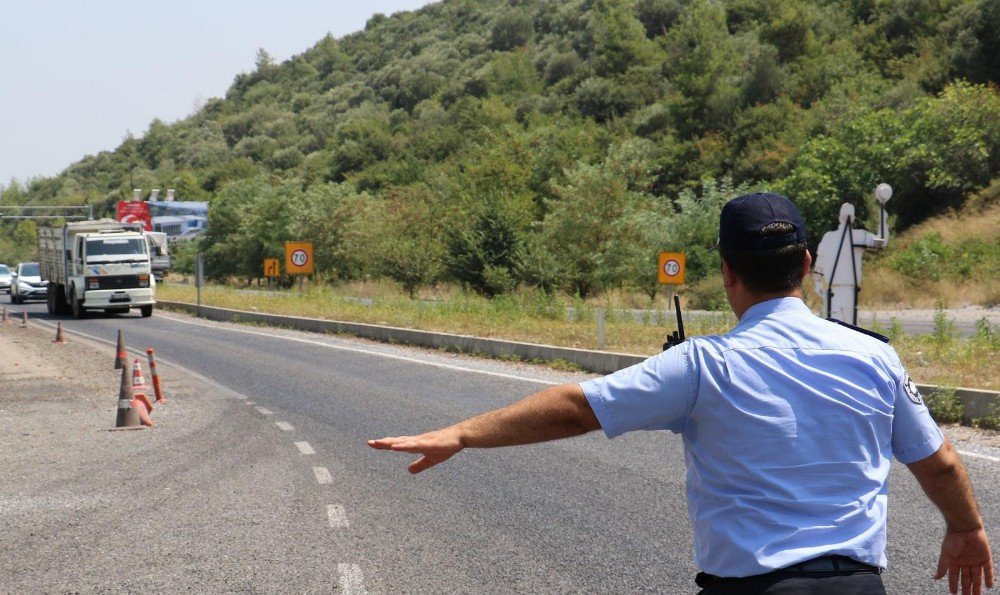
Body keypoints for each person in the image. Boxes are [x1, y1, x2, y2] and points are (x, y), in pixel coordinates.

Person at [368, 192, 994, 595]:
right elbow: (936, 460)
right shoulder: (875, 356)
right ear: (807, 264)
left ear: (726, 271)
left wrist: (462, 433)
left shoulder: (702, 365)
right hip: (857, 589)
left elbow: (577, 409)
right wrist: (966, 528)